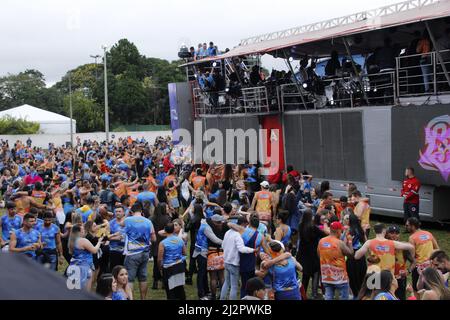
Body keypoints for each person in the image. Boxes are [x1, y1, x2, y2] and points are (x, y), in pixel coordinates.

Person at [122, 202, 156, 300]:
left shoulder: (128, 220)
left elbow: (121, 223)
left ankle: (131, 298)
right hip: (145, 252)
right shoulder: (148, 222)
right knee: (143, 278)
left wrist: (128, 213)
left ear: (132, 211)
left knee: (130, 280)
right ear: (142, 211)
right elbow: (154, 239)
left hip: (132, 253)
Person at [220, 216, 257, 300]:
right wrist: (253, 250)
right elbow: (241, 249)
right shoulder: (238, 235)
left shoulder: (228, 232)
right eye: (245, 226)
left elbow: (223, 245)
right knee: (234, 286)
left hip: (226, 261)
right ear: (242, 224)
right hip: (234, 264)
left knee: (226, 283)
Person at [318, 221, 354, 300]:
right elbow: (351, 254)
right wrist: (350, 241)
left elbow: (319, 255)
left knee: (328, 297)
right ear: (338, 231)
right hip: (340, 278)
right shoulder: (339, 243)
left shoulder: (321, 241)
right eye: (341, 231)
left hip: (326, 277)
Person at [297, 209, 326, 299]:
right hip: (313, 253)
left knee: (305, 275)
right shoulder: (313, 227)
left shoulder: (300, 226)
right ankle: (314, 293)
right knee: (315, 273)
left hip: (303, 253)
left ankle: (303, 293)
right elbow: (323, 235)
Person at [406, 217, 439, 295]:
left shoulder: (412, 238)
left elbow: (412, 256)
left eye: (407, 225)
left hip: (419, 268)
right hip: (431, 266)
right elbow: (437, 249)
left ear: (413, 226)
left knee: (416, 289)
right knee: (430, 288)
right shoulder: (428, 234)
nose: (406, 227)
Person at [68, 224, 104, 290]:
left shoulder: (71, 240)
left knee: (73, 290)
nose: (84, 231)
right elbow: (94, 250)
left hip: (74, 265)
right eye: (83, 229)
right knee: (85, 292)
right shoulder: (82, 240)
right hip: (84, 267)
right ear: (79, 232)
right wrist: (99, 242)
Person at [158, 222, 187, 300]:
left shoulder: (163, 243)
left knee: (170, 291)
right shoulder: (180, 240)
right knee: (180, 288)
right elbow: (185, 253)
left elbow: (160, 259)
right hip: (179, 266)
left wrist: (160, 267)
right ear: (173, 230)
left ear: (165, 230)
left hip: (168, 268)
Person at [385, 225, 414, 300]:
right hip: (386, 277)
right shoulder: (383, 245)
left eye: (397, 233)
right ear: (387, 234)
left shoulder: (403, 247)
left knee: (400, 297)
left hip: (399, 278)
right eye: (392, 233)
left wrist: (408, 271)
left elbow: (414, 262)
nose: (394, 235)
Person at [343, 212, 367, 298]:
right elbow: (366, 242)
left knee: (352, 277)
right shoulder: (361, 230)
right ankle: (362, 294)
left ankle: (355, 295)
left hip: (351, 255)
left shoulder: (349, 230)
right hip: (361, 255)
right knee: (361, 276)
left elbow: (344, 244)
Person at [108, 206, 126, 271]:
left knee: (124, 270)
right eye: (116, 211)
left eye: (119, 211)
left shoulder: (128, 222)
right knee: (114, 270)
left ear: (123, 213)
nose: (117, 213)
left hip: (125, 250)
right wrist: (116, 238)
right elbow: (106, 237)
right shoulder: (111, 223)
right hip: (114, 250)